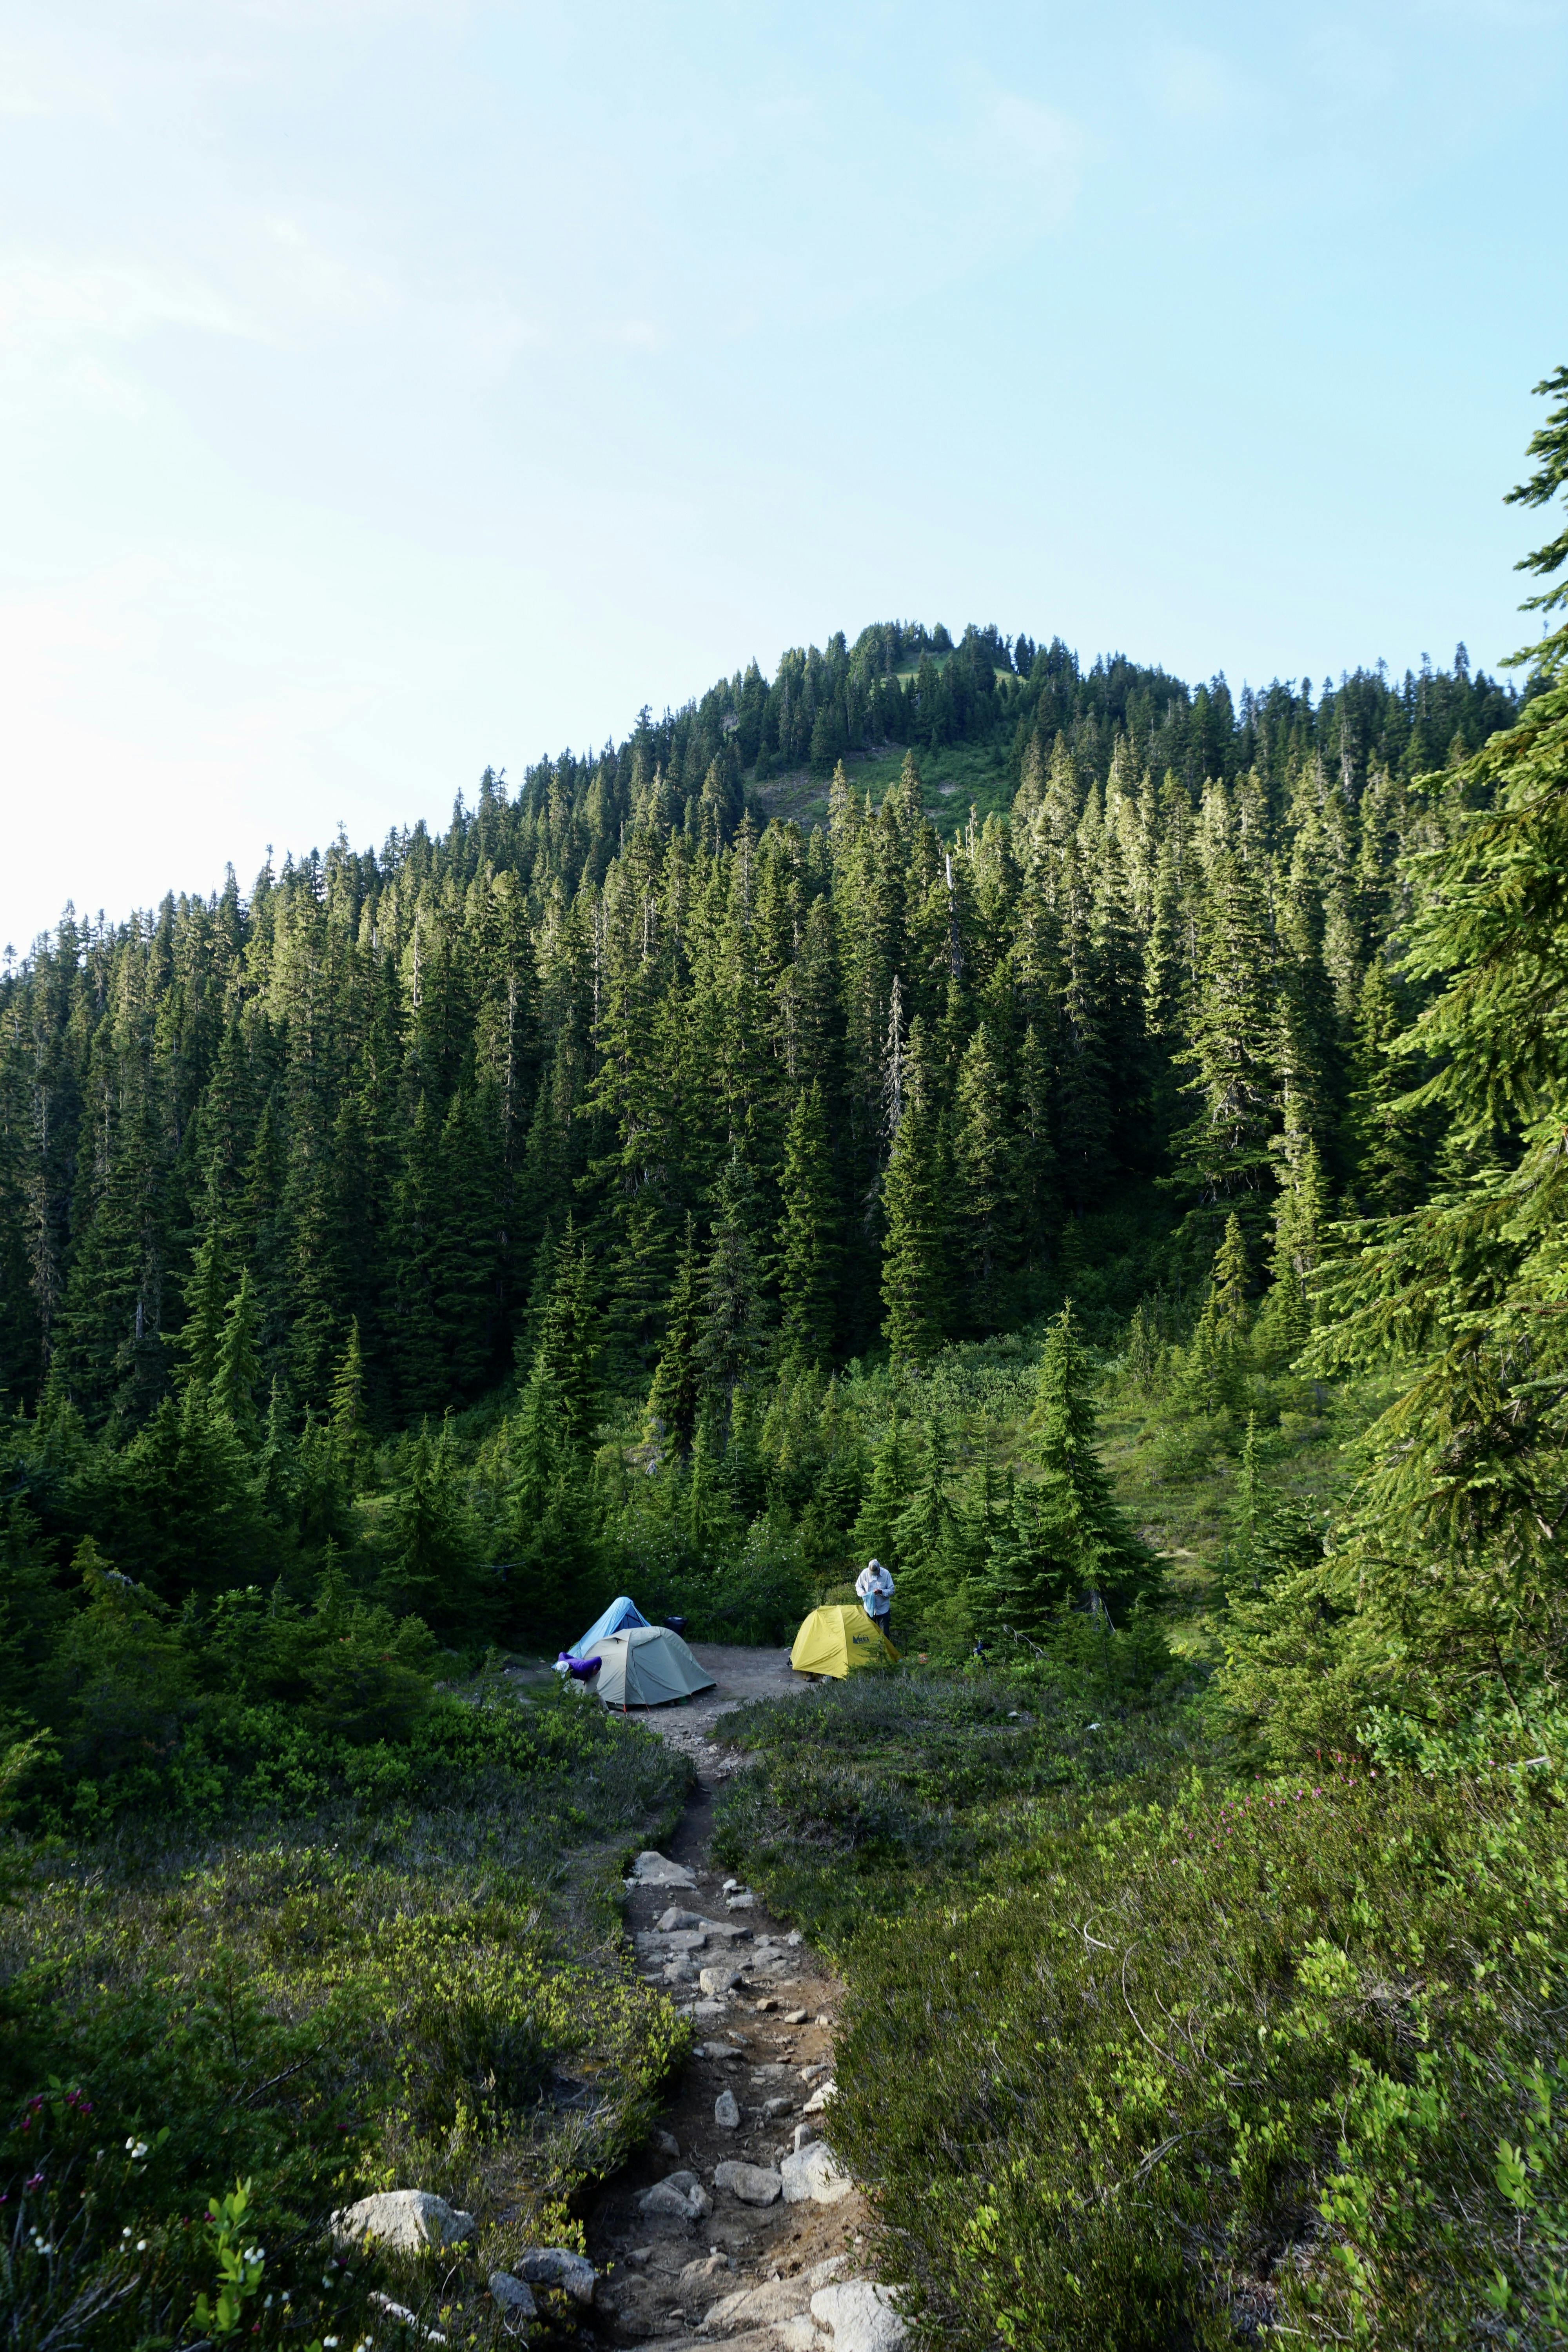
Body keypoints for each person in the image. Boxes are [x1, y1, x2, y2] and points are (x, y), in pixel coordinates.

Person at [855, 1557, 895, 1649]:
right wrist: (864, 1594)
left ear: (879, 1569)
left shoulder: (886, 1574)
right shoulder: (865, 1573)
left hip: (883, 1609)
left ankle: (886, 1656)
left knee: (885, 1634)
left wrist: (881, 1592)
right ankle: (870, 1656)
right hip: (869, 1610)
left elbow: (892, 1590)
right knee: (868, 1633)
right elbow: (858, 1586)